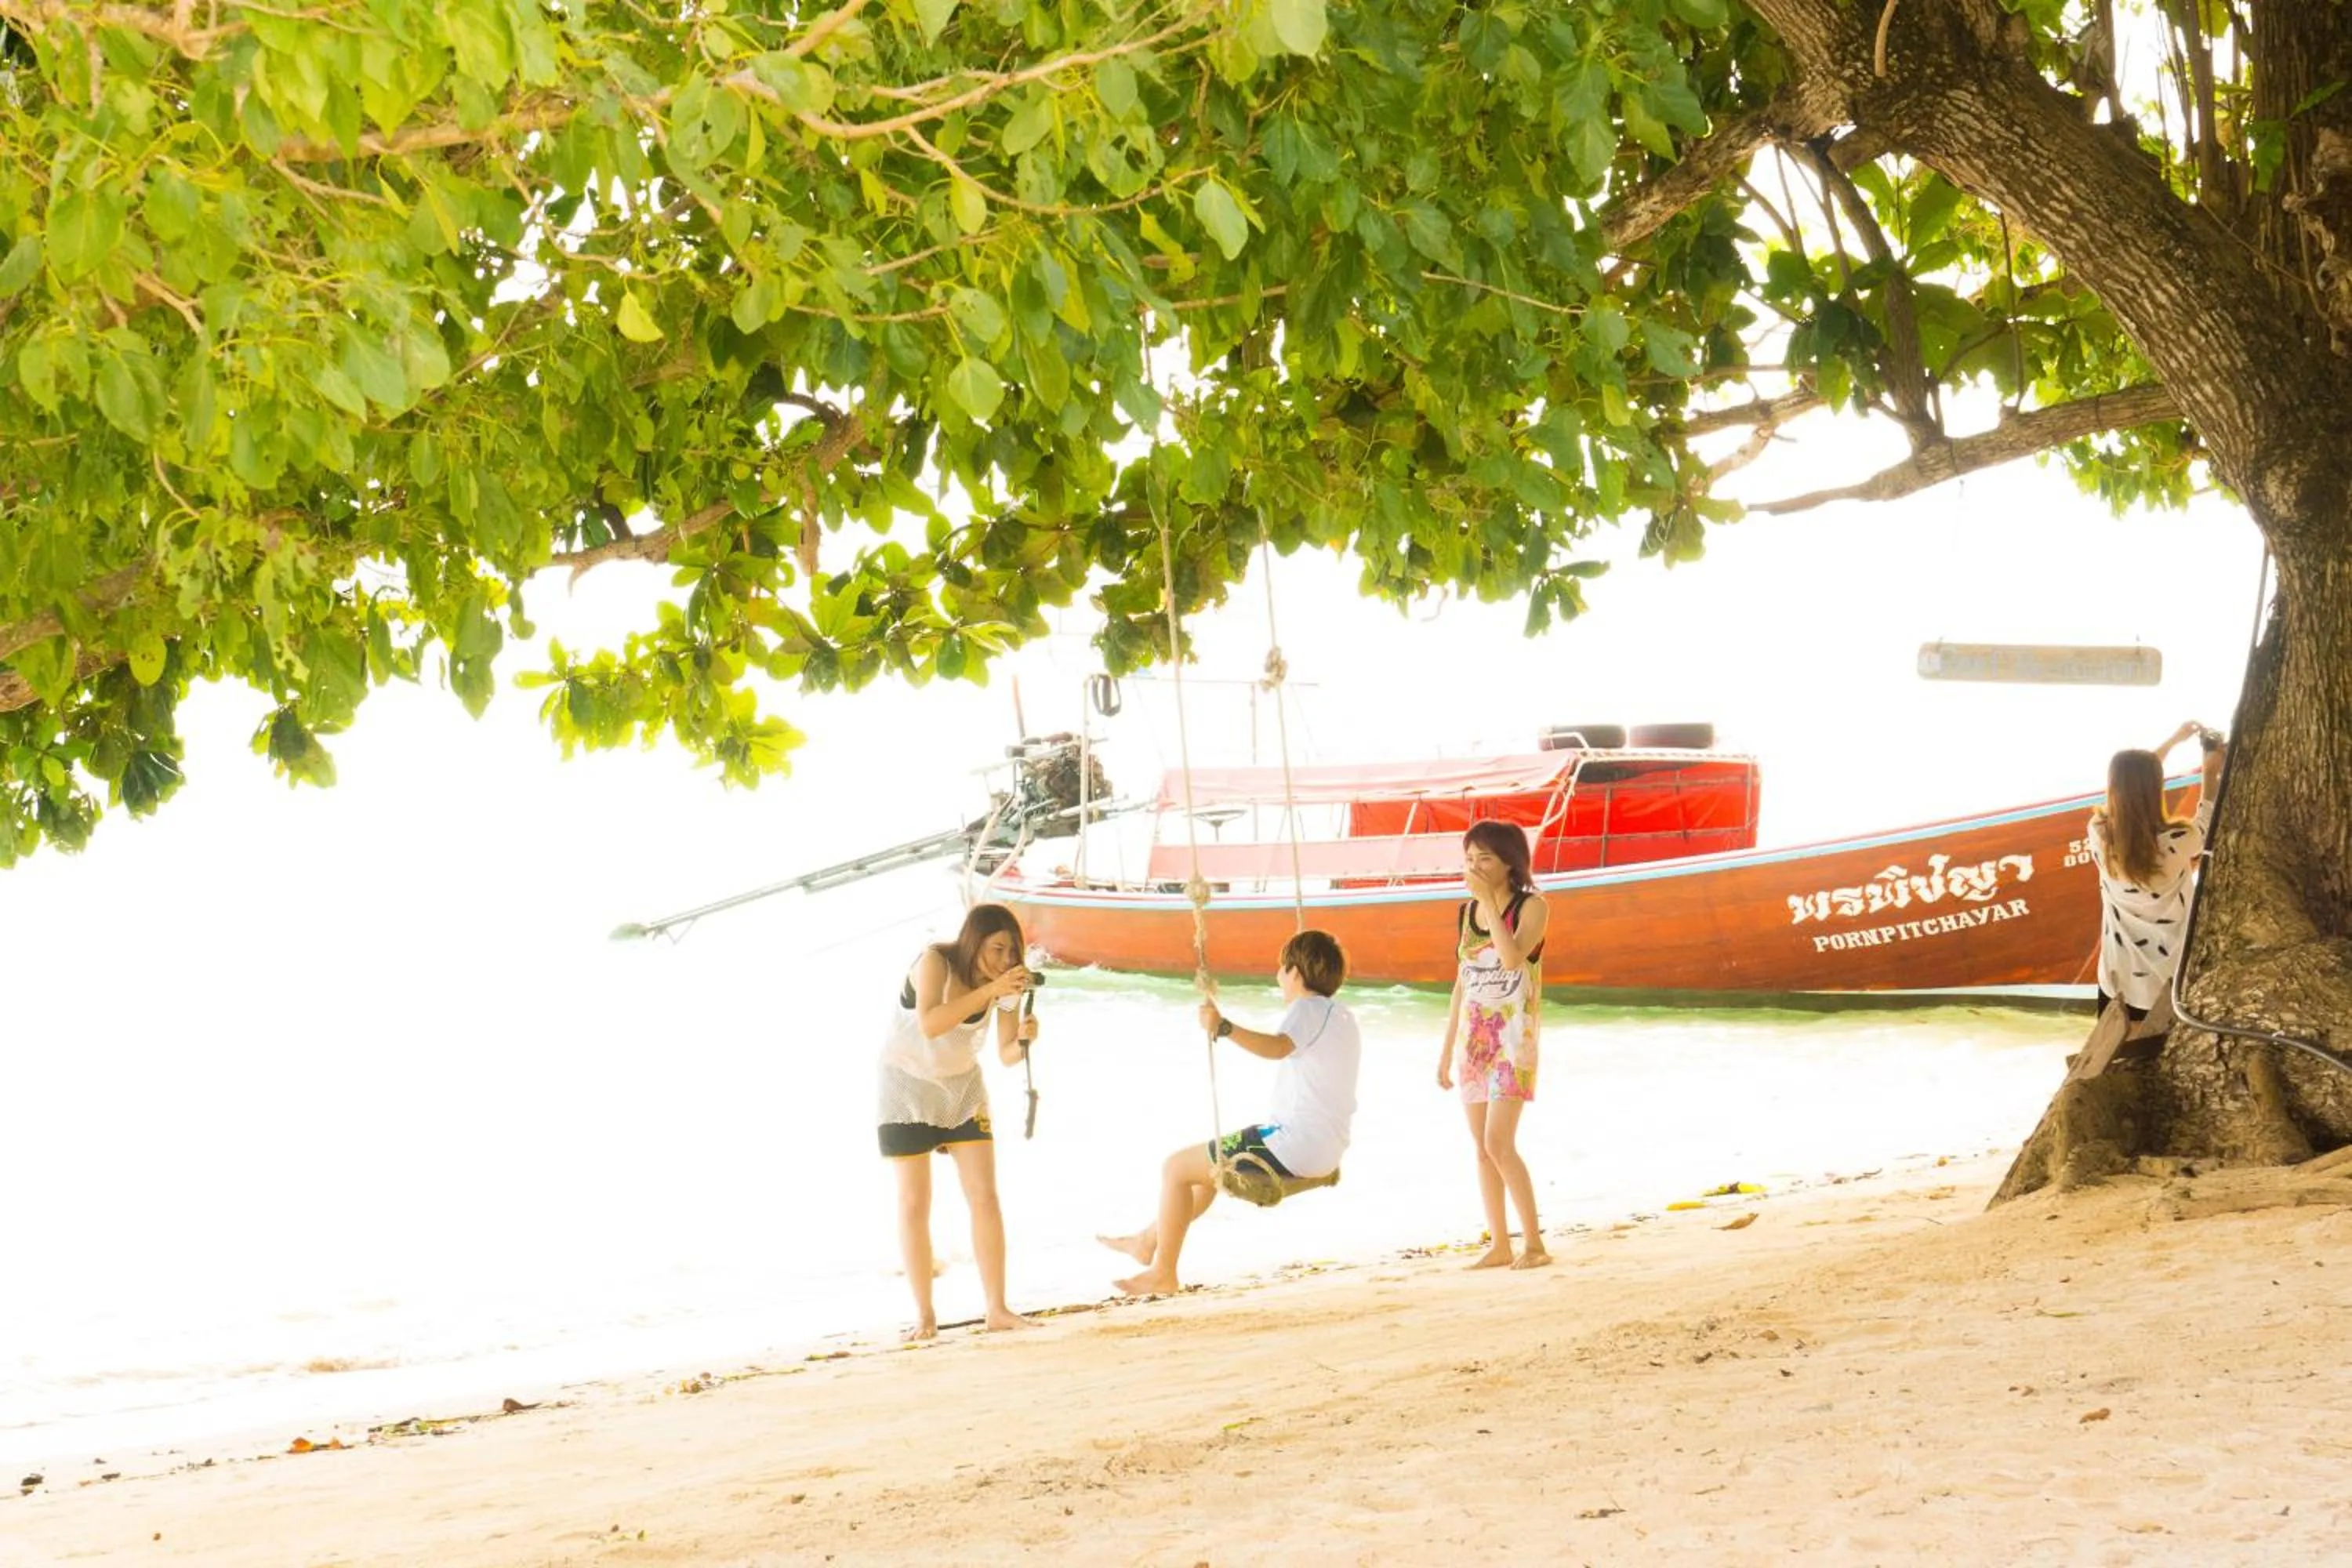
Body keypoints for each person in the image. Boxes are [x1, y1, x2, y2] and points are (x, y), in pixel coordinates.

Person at [1098, 930, 1359, 1297]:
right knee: (1203, 1175)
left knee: (1174, 1168)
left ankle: (1163, 1273)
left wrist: (1225, 1028)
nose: (1278, 977)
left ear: (1297, 973)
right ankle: (1148, 1240)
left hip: (1294, 1148)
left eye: (1281, 969)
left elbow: (1278, 1047)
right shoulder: (1342, 1014)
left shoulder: (1307, 1008)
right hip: (1327, 1150)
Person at [877, 903, 1038, 1339]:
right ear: (973, 941)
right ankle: (925, 1316)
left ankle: (997, 1308)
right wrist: (993, 991)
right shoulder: (935, 962)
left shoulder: (1004, 984)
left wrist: (1022, 1041)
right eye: (997, 948)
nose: (1006, 960)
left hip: (962, 1088)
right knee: (914, 1202)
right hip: (906, 1085)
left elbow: (1004, 1054)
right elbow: (931, 1023)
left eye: (1012, 951)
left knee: (984, 1194)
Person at [1436, 820, 1552, 1270]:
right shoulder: (1467, 913)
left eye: (1485, 858)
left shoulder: (1534, 907)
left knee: (1500, 1142)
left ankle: (1535, 1245)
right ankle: (1500, 1244)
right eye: (1469, 859)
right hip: (1474, 1043)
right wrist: (1446, 1051)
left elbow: (1511, 957)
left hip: (1513, 1041)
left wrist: (1488, 898)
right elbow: (1461, 985)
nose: (1475, 866)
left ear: (1509, 863)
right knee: (1481, 1149)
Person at [2086, 721, 2228, 1019]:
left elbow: (2132, 785)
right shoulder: (2177, 842)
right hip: (2167, 982)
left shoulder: (2100, 833)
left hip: (2116, 978)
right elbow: (2208, 816)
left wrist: (2173, 741)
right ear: (2157, 788)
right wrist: (2210, 772)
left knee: (2118, 1059)